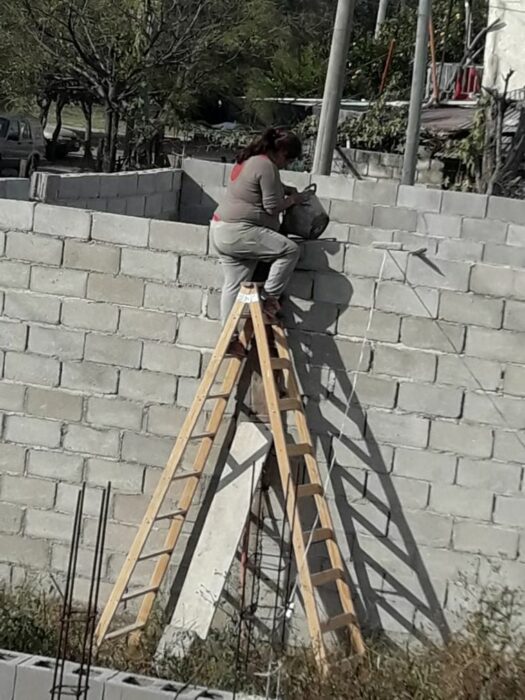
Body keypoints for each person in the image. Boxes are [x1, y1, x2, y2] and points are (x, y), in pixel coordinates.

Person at [210, 127, 306, 357]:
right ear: (280, 150)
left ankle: (228, 341)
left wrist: (283, 189)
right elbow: (272, 206)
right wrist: (293, 199)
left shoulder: (252, 160)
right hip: (240, 231)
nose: (287, 164)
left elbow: (255, 188)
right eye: (288, 158)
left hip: (221, 230)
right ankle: (267, 300)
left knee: (234, 285)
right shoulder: (266, 165)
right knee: (290, 250)